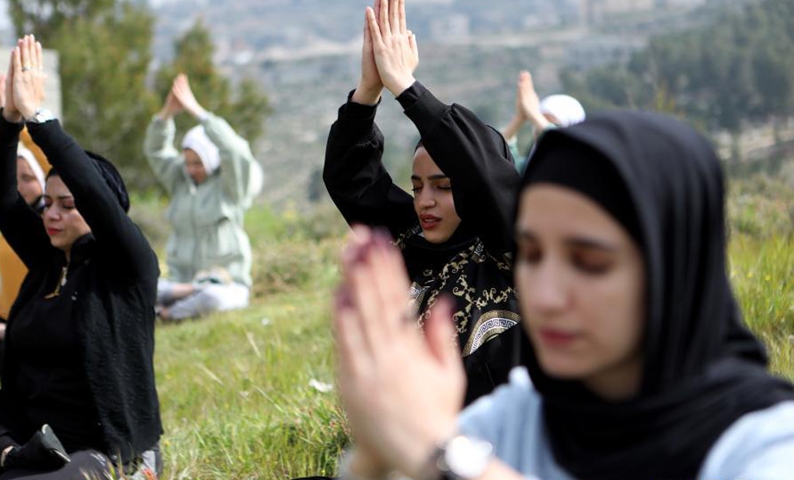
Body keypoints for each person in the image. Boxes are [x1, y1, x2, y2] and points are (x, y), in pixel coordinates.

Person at [333, 109, 794, 480]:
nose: (546, 297)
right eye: (532, 255)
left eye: (590, 262)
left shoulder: (765, 444)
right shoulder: (518, 420)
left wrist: (440, 456)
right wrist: (381, 445)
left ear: (674, 264)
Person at [323, 0, 521, 406]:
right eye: (417, 187)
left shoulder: (509, 250)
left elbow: (485, 177)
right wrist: (367, 92)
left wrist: (406, 87)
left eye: (444, 187)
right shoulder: (414, 241)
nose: (425, 202)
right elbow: (351, 181)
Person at [0, 35, 163, 479]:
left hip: (99, 451)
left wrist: (39, 118)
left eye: (68, 205)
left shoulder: (126, 267)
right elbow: (3, 199)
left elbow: (94, 192)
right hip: (31, 441)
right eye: (48, 202)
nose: (51, 214)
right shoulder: (48, 262)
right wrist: (8, 122)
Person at [144, 73, 263, 322]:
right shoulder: (180, 180)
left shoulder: (232, 186)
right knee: (142, 287)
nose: (191, 169)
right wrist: (167, 114)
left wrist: (198, 112)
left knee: (214, 298)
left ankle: (166, 314)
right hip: (179, 283)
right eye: (187, 162)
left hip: (225, 284)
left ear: (211, 159)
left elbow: (235, 150)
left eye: (198, 163)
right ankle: (182, 299)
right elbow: (156, 151)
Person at [0, 74, 51, 379]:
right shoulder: (9, 224)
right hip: (2, 320)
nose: (19, 187)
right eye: (14, 180)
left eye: (27, 179)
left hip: (27, 333)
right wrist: (5, 118)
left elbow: (48, 159)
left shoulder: (50, 229)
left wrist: (28, 113)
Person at [500, 70, 585, 174]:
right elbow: (498, 156)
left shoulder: (581, 165)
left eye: (554, 125)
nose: (539, 128)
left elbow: (560, 143)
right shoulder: (529, 164)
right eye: (538, 121)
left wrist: (532, 112)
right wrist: (519, 118)